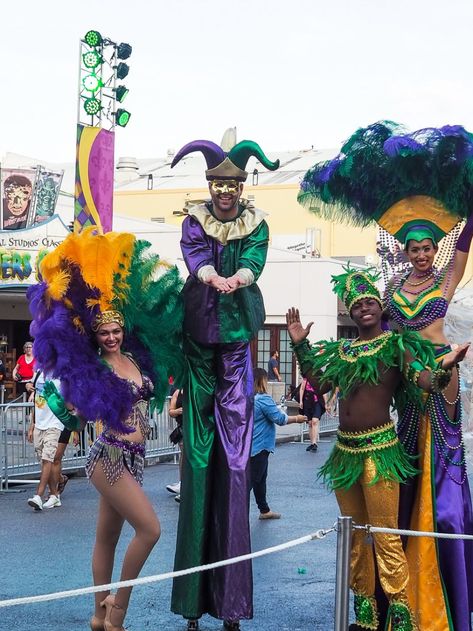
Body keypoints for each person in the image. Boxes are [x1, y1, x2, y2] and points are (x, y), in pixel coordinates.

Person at [298, 122, 473, 630]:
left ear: (435, 252)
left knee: (440, 501)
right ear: (402, 250)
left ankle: (436, 592)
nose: (421, 254)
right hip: (404, 394)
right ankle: (392, 603)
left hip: (440, 384)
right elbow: (376, 344)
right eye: (413, 248)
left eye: (427, 248)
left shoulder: (445, 279)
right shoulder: (390, 291)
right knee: (396, 499)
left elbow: (463, 241)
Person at [286, 267, 469, 631]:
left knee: (385, 536)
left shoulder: (394, 345)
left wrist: (444, 366)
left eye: (371, 302)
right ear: (351, 312)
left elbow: (424, 379)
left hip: (380, 452)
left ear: (380, 308)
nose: (365, 308)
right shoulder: (342, 351)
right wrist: (299, 344)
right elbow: (320, 383)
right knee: (356, 536)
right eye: (358, 304)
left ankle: (401, 617)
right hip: (345, 454)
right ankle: (366, 614)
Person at [27, 227, 183, 631]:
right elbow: (73, 404)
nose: (112, 337)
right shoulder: (92, 369)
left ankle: (98, 616)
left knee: (107, 539)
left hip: (134, 458)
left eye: (116, 331)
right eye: (104, 332)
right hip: (109, 455)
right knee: (150, 530)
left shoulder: (134, 358)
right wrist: (74, 402)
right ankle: (117, 609)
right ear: (93, 336)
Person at [170, 138, 279, 631]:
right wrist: (211, 273)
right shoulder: (194, 220)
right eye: (218, 184)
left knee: (236, 464)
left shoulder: (256, 222)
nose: (225, 193)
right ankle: (193, 604)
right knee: (197, 459)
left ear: (242, 187)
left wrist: (240, 276)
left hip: (235, 341)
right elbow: (195, 255)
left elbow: (254, 258)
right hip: (198, 342)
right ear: (210, 186)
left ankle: (230, 605)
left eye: (232, 185)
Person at [251, 368, 306, 519]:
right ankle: (234, 516)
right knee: (252, 480)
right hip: (260, 445)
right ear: (262, 381)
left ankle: (264, 510)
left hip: (250, 444)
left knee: (260, 479)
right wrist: (297, 419)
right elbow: (279, 419)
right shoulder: (263, 399)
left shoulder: (248, 398)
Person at [26, 370, 64, 510]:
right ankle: (54, 495)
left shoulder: (62, 374)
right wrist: (32, 425)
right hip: (39, 424)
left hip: (54, 423)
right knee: (43, 461)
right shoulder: (38, 372)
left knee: (48, 458)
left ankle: (38, 496)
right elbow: (35, 397)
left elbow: (70, 401)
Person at [166, 387, 183, 502]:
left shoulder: (197, 388)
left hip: (196, 430)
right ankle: (182, 484)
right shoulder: (177, 391)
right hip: (183, 429)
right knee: (184, 456)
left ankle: (185, 486)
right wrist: (178, 411)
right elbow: (171, 411)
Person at [299, 376, 324, 452]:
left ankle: (314, 443)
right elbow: (302, 388)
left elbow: (323, 391)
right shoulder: (306, 378)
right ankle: (312, 443)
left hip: (317, 402)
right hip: (308, 401)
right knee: (310, 423)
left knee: (315, 421)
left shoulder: (319, 377)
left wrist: (326, 403)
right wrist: (301, 401)